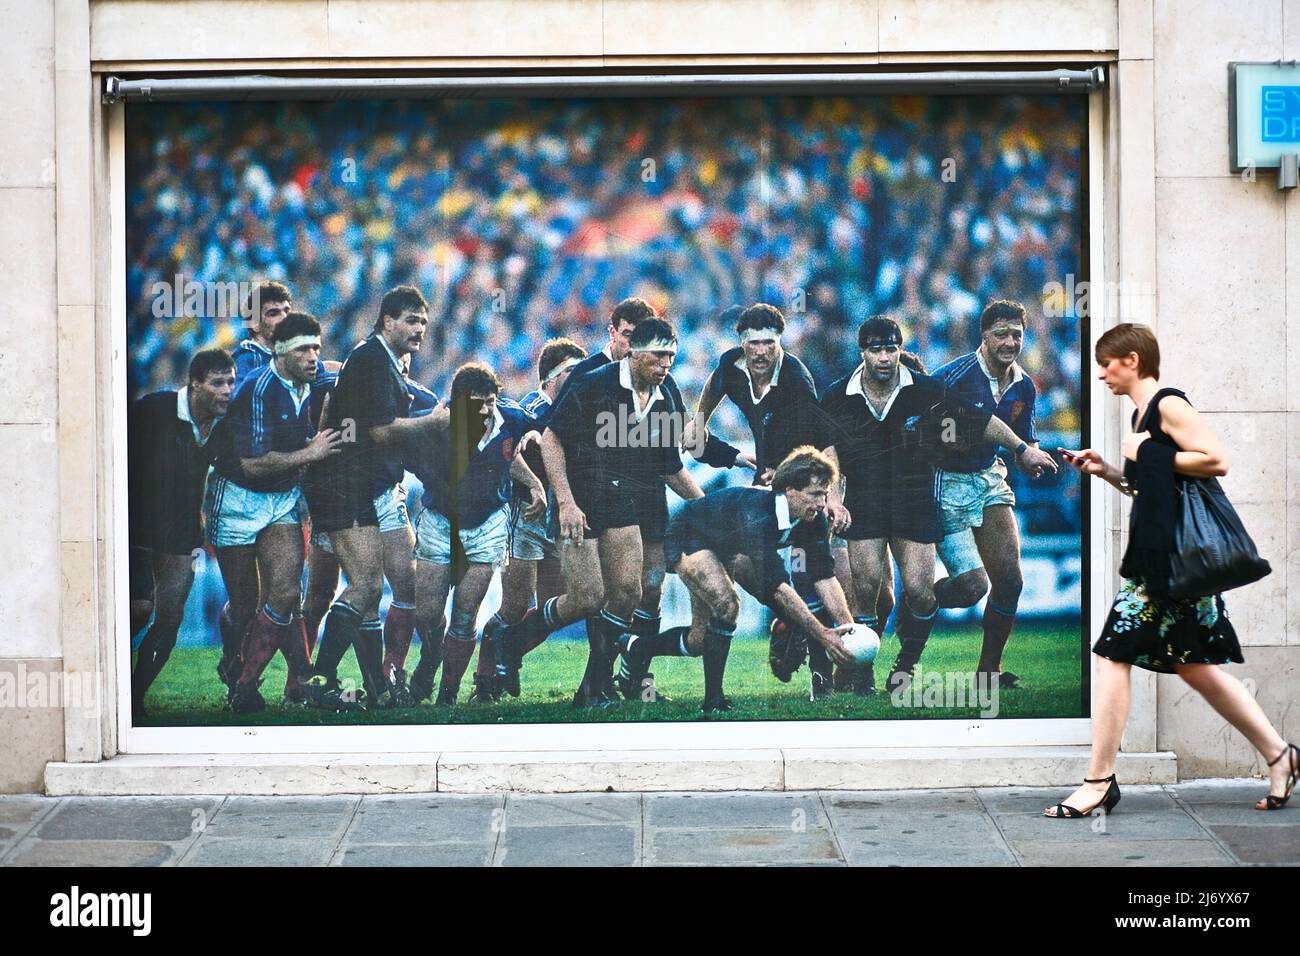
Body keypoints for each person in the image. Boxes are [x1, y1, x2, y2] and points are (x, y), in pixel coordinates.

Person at [1046, 323, 1297, 817]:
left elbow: (1215, 460)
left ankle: (1098, 780)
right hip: (1165, 560)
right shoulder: (1143, 415)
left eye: (1107, 364)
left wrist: (1144, 451)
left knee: (1111, 655)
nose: (1101, 375)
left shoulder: (1166, 405)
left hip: (1172, 562)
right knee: (1196, 667)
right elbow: (1154, 487)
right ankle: (1281, 755)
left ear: (1133, 360)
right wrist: (1109, 471)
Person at [818, 316, 1058, 696]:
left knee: (921, 593)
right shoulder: (836, 395)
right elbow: (827, 449)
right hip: (863, 500)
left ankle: (906, 666)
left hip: (914, 499)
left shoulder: (924, 389)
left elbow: (980, 421)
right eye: (876, 350)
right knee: (867, 593)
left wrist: (1022, 449)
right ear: (862, 351)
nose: (884, 357)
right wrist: (832, 496)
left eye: (891, 349)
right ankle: (861, 679)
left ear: (900, 349)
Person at [495, 317, 707, 707]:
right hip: (584, 498)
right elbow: (552, 440)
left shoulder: (669, 394)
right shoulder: (596, 383)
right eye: (659, 356)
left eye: (672, 357)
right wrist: (567, 502)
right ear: (636, 351)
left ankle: (595, 687)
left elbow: (669, 464)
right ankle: (509, 642)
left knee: (629, 592)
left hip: (628, 503)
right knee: (588, 597)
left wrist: (705, 508)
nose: (666, 365)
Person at [623, 446, 855, 712]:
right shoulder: (761, 514)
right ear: (789, 490)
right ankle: (714, 701)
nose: (822, 504)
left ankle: (636, 647)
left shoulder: (813, 519)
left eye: (825, 495)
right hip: (689, 533)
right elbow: (778, 587)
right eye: (815, 495)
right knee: (728, 604)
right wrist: (824, 635)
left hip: (723, 543)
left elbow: (823, 577)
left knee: (698, 641)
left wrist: (849, 628)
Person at [302, 286, 447, 710]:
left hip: (369, 485)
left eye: (423, 321)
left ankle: (383, 685)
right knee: (365, 587)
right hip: (345, 486)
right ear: (387, 321)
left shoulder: (387, 361)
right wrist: (436, 423)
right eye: (410, 320)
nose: (419, 328)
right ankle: (321, 678)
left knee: (397, 586)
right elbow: (382, 431)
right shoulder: (370, 360)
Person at [205, 313, 343, 713]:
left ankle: (246, 686)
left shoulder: (312, 379)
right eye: (303, 349)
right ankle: (234, 660)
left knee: (284, 592)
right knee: (245, 605)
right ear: (280, 353)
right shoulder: (258, 388)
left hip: (281, 498)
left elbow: (349, 377)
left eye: (317, 347)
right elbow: (251, 464)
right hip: (239, 497)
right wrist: (310, 453)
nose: (313, 356)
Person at [405, 362, 544, 706]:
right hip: (440, 523)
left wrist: (535, 462)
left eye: (490, 402)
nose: (484, 410)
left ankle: (447, 696)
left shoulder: (512, 417)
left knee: (466, 613)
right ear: (456, 403)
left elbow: (536, 436)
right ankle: (430, 657)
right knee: (426, 613)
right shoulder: (436, 426)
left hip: (488, 524)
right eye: (476, 404)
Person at [932, 299, 1049, 689]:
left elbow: (1025, 441)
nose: (1010, 341)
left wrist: (1033, 456)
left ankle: (988, 672)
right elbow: (983, 426)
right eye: (1001, 333)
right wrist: (1021, 449)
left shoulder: (1024, 386)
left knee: (1010, 581)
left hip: (987, 476)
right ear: (983, 337)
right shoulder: (955, 377)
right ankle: (919, 605)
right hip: (943, 480)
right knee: (971, 588)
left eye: (1017, 334)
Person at [471, 338, 587, 703]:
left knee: (559, 604)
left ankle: (511, 653)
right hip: (526, 515)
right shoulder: (533, 406)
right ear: (552, 377)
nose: (581, 379)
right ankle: (486, 678)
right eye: (572, 372)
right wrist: (534, 483)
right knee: (515, 605)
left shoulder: (575, 409)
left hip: (557, 516)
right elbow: (507, 438)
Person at [129, 348, 235, 718]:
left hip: (182, 531)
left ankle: (134, 697)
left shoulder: (223, 425)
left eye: (231, 382)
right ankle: (105, 680)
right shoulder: (153, 411)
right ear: (194, 384)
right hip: (137, 525)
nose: (227, 390)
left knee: (171, 617)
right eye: (218, 383)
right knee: (140, 610)